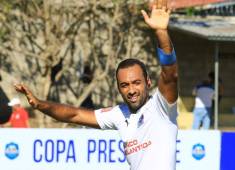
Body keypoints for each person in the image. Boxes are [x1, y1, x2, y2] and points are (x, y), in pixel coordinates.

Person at [14, 1, 178, 170]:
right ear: (119, 88)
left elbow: (170, 75)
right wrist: (40, 104)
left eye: (136, 83)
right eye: (125, 85)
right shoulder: (119, 114)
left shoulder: (162, 108)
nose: (131, 90)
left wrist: (161, 32)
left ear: (148, 82)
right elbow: (74, 115)